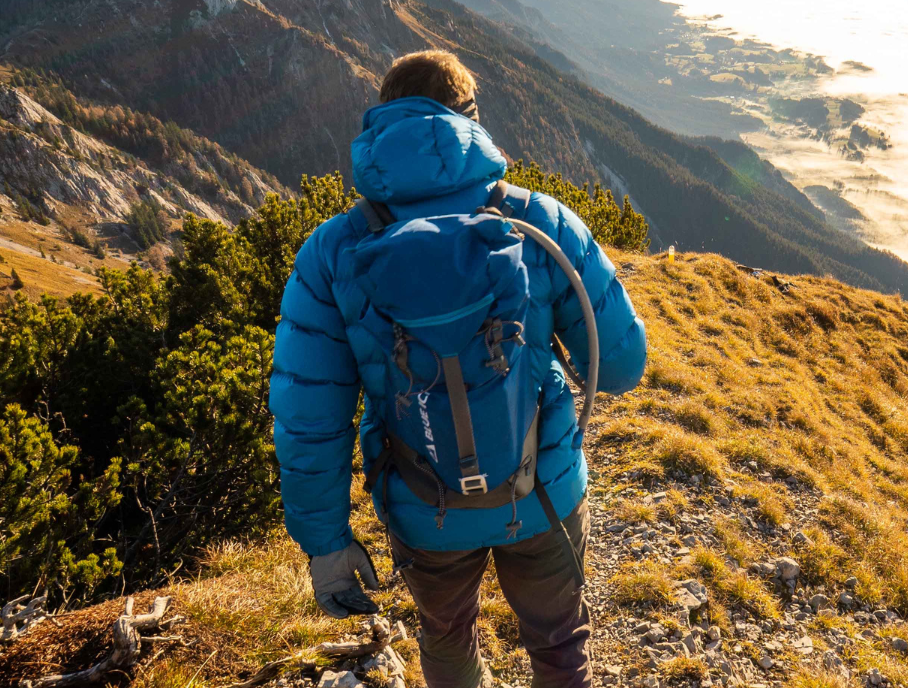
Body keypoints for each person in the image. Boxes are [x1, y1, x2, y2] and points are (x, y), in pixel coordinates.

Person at [269, 49, 648, 688]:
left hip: (424, 503)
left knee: (446, 639)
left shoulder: (332, 251)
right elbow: (621, 367)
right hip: (544, 489)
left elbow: (310, 418)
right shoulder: (539, 221)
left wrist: (326, 543)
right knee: (559, 644)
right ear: (471, 121)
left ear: (380, 125)